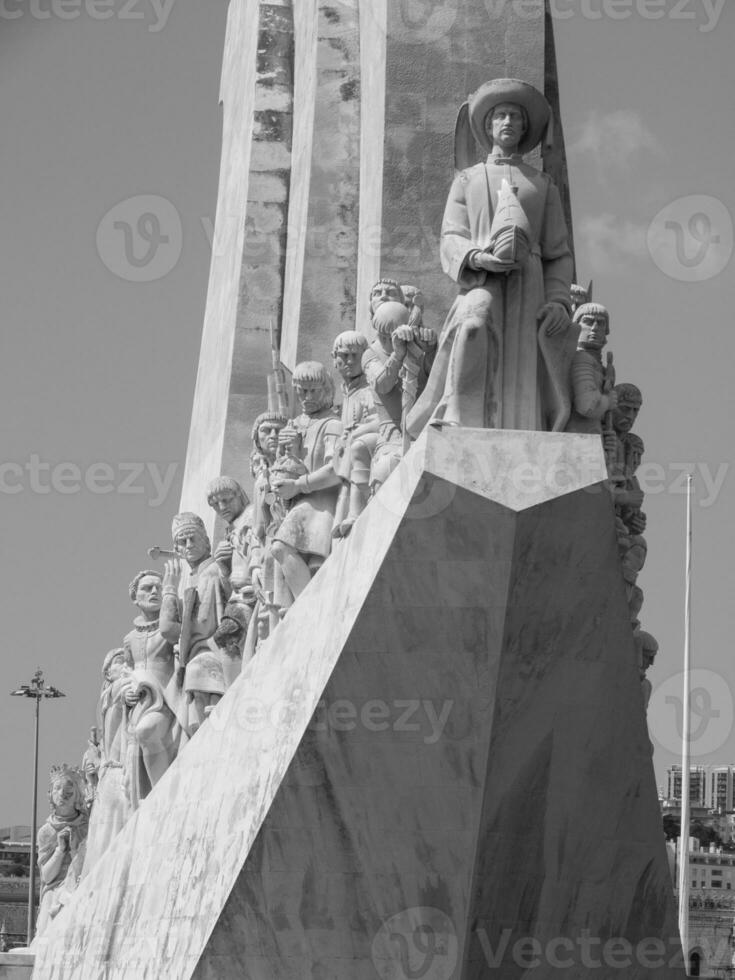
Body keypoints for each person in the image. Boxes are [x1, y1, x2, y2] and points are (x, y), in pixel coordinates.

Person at [407, 78, 574, 435]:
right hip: (483, 276)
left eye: (516, 116)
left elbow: (558, 252)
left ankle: (522, 429)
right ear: (489, 126)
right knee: (474, 325)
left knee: (523, 358)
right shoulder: (468, 179)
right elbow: (451, 235)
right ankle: (458, 409)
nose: (509, 122)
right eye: (501, 116)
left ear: (525, 127)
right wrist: (478, 258)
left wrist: (559, 300)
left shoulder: (542, 184)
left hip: (530, 280)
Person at [270, 362, 342, 601]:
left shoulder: (332, 424)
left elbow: (335, 469)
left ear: (326, 390)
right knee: (278, 553)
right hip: (300, 503)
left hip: (323, 502)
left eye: (313, 391)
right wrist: (285, 457)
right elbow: (284, 472)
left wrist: (299, 484)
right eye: (302, 391)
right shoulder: (294, 425)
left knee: (282, 547)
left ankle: (307, 607)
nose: (307, 397)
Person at [160, 513, 232, 734]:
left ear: (207, 541)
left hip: (213, 645)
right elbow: (167, 630)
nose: (188, 545)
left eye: (193, 539)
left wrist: (171, 592)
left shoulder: (211, 571)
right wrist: (170, 588)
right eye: (182, 542)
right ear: (177, 549)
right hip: (197, 650)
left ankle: (208, 730)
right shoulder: (191, 578)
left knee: (197, 668)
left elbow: (200, 624)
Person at [122, 570, 188, 800]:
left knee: (147, 731)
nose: (154, 592)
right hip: (140, 703)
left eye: (158, 587)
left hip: (167, 699)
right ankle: (155, 794)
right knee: (140, 738)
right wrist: (125, 695)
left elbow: (177, 642)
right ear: (135, 597)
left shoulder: (168, 627)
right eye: (147, 588)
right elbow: (128, 673)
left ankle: (160, 795)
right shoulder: (130, 639)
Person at [331, 330, 379, 538]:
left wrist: (355, 432)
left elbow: (382, 419)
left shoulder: (369, 389)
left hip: (367, 446)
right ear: (335, 359)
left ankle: (355, 512)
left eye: (355, 356)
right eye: (344, 356)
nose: (349, 361)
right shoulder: (346, 393)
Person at [34, 766, 89, 938]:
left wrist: (74, 850)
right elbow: (47, 877)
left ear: (77, 796)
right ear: (50, 794)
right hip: (54, 889)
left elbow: (87, 871)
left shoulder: (88, 828)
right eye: (58, 789)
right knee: (52, 902)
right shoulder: (46, 831)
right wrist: (60, 850)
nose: (62, 794)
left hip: (81, 886)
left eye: (69, 790)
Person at [565, 302, 617, 435]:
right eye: (588, 321)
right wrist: (608, 401)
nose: (594, 328)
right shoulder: (581, 358)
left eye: (600, 323)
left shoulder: (599, 365)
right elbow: (587, 406)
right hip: (578, 436)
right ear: (576, 326)